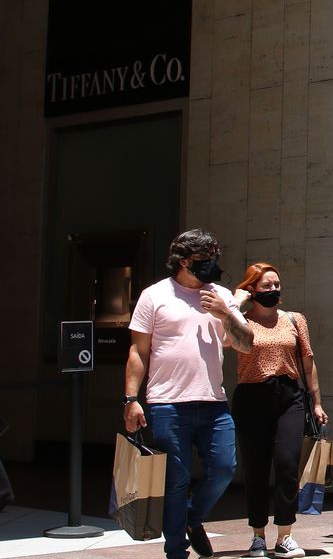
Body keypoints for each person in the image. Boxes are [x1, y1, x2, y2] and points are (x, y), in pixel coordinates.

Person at [124, 229, 255, 559]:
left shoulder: (221, 296)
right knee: (176, 481)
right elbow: (138, 351)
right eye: (204, 259)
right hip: (167, 403)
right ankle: (176, 552)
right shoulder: (155, 296)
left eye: (214, 258)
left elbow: (246, 343)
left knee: (225, 468)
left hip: (213, 402)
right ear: (183, 261)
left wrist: (225, 314)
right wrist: (131, 399)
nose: (212, 265)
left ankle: (193, 518)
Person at [229, 262, 328, 559]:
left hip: (288, 396)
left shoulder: (295, 319)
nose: (273, 290)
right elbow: (224, 342)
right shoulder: (241, 322)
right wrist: (236, 304)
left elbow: (308, 363)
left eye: (276, 284)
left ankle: (285, 535)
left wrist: (318, 402)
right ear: (251, 290)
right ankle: (257, 535)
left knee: (286, 464)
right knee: (256, 468)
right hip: (251, 396)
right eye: (266, 286)